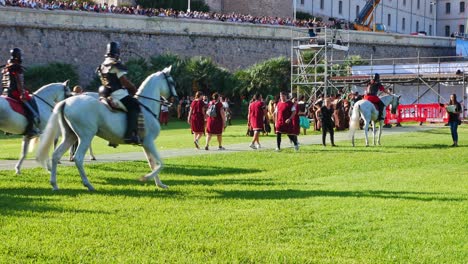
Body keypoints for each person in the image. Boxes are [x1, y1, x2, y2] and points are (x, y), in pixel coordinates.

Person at [96, 41, 140, 144]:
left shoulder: (102, 65)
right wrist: (133, 88)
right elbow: (124, 81)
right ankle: (129, 135)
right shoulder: (115, 64)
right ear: (117, 52)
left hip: (105, 94)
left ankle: (112, 139)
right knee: (134, 105)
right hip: (117, 94)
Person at [1, 48, 40, 136]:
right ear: (18, 55)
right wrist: (22, 93)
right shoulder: (16, 67)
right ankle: (31, 128)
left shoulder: (7, 67)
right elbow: (18, 81)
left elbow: (5, 82)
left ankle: (8, 128)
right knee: (30, 105)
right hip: (15, 92)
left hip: (6, 93)